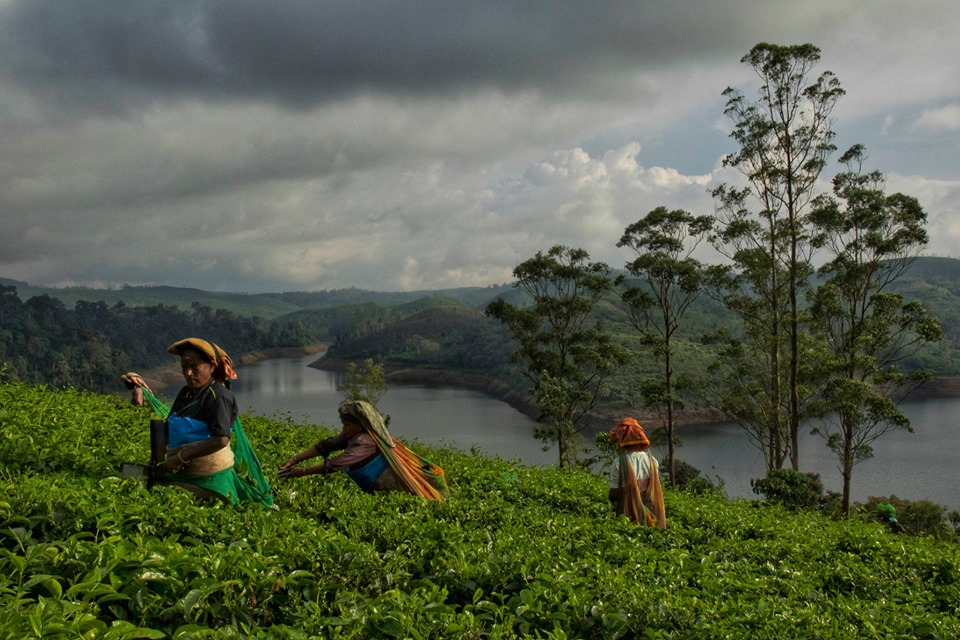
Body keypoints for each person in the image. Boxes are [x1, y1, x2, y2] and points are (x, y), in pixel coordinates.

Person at [125, 338, 273, 506]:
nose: (188, 373)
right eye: (184, 367)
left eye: (194, 367)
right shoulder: (185, 393)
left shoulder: (218, 396)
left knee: (162, 499)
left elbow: (221, 439)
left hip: (210, 479)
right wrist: (158, 461)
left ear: (211, 367)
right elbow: (168, 428)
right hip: (179, 471)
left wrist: (181, 457)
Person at [278, 400, 447, 500]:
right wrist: (295, 459)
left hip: (389, 485)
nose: (344, 429)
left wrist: (301, 472)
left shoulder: (365, 441)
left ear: (360, 426)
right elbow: (327, 445)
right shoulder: (353, 434)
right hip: (374, 485)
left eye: (347, 425)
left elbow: (336, 464)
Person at [607, 417, 667, 529]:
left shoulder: (618, 463)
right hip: (651, 513)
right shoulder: (652, 460)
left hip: (629, 514)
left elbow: (614, 492)